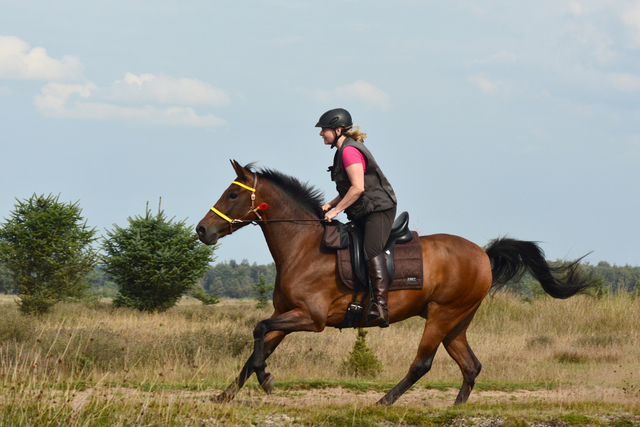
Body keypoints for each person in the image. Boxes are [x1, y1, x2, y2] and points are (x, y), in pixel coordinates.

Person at [317, 108, 397, 328]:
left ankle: (381, 306)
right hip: (364, 209)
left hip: (378, 209)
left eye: (324, 130)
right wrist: (331, 204)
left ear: (338, 129)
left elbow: (358, 188)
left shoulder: (349, 151)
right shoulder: (341, 150)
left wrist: (335, 212)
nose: (321, 134)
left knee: (371, 250)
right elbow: (348, 188)